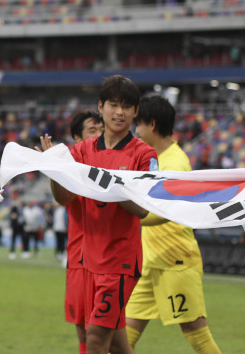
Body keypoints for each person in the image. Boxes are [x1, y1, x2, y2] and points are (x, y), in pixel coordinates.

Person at [40, 74, 158, 354]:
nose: (120, 112)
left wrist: (110, 184)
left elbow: (143, 209)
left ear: (135, 112)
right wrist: (56, 172)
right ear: (101, 106)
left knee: (94, 338)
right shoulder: (80, 151)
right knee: (117, 344)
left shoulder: (144, 154)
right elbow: (64, 199)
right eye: (113, 105)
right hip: (88, 261)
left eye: (127, 107)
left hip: (120, 262)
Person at [127, 94, 221, 353]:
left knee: (196, 334)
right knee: (121, 337)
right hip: (151, 261)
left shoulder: (175, 164)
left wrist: (128, 216)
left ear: (152, 125)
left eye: (139, 125)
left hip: (175, 261)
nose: (136, 131)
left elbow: (165, 212)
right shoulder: (153, 159)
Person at [63, 110, 104, 353]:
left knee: (102, 331)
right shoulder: (71, 168)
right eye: (92, 130)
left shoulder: (113, 165)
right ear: (78, 138)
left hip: (107, 260)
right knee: (82, 328)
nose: (99, 135)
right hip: (78, 257)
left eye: (102, 130)